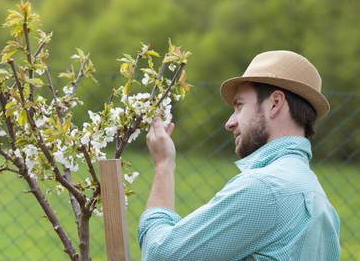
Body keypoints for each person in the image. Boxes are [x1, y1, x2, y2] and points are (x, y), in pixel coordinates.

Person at [138, 51, 340, 260]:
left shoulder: (265, 188)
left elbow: (160, 255)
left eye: (239, 106)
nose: (230, 122)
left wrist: (164, 166)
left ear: (275, 103)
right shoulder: (322, 204)